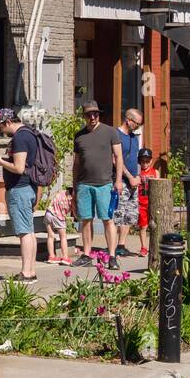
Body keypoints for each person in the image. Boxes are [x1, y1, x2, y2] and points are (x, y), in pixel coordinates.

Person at [71, 101, 124, 271]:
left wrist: (118, 181)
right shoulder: (79, 136)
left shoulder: (110, 132)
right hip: (84, 184)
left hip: (104, 184)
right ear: (84, 117)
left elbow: (119, 157)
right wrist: (74, 185)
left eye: (95, 114)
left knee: (108, 220)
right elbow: (76, 163)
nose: (92, 117)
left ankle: (112, 256)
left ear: (99, 115)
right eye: (89, 115)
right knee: (86, 220)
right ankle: (86, 255)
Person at [0, 108, 39, 282]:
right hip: (27, 188)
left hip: (20, 189)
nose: (1, 131)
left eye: (1, 127)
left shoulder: (20, 138)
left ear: (8, 122)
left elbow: (19, 168)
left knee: (24, 232)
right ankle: (31, 271)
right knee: (29, 231)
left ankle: (26, 272)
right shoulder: (29, 134)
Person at [112, 108, 144, 258]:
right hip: (121, 181)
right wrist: (129, 177)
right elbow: (115, 159)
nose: (137, 127)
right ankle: (113, 246)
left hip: (133, 182)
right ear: (128, 120)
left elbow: (135, 159)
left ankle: (121, 245)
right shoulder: (116, 135)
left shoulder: (134, 138)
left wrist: (137, 176)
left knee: (130, 215)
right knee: (119, 213)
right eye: (136, 123)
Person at [44, 186, 74, 266]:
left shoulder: (62, 192)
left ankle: (51, 256)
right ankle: (65, 257)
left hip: (49, 213)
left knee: (50, 236)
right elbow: (74, 211)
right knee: (63, 237)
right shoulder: (72, 199)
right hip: (58, 216)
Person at [137, 148, 159, 257]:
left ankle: (156, 247)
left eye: (147, 161)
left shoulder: (155, 172)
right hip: (141, 203)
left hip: (153, 202)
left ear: (151, 161)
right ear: (139, 161)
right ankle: (144, 247)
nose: (145, 163)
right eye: (142, 161)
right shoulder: (138, 172)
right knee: (143, 226)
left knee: (155, 225)